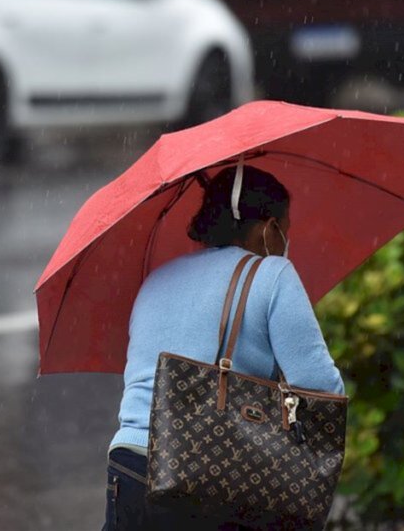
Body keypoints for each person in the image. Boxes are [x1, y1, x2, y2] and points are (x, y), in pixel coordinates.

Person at [104, 165, 345, 531]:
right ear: (269, 229)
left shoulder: (156, 280)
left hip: (129, 469)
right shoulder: (273, 274)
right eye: (286, 230)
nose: (285, 243)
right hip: (202, 475)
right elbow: (322, 391)